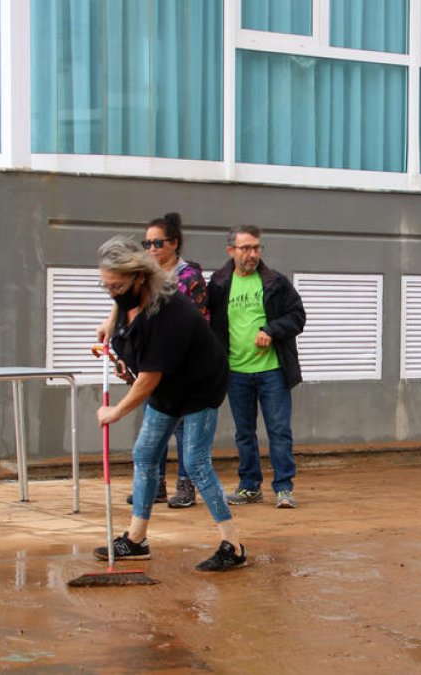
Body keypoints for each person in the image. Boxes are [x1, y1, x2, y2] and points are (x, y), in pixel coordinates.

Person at [92, 235, 245, 572]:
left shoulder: (167, 313)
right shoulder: (129, 298)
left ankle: (233, 546)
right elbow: (122, 307)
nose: (113, 293)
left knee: (196, 462)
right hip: (169, 386)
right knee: (145, 455)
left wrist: (116, 411)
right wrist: (110, 322)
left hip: (199, 387)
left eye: (117, 286)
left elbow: (148, 380)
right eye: (108, 287)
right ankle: (136, 540)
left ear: (139, 277)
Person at [207, 225, 306, 509]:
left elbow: (297, 316)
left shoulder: (275, 282)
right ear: (231, 251)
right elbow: (208, 322)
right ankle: (250, 486)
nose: (252, 254)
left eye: (256, 248)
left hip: (272, 370)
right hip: (236, 371)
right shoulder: (218, 284)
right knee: (244, 433)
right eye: (245, 248)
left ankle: (283, 488)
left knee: (279, 430)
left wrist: (271, 330)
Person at [117, 212, 210, 509]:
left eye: (158, 243)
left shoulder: (189, 278)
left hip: (183, 368)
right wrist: (127, 357)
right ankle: (154, 485)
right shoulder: (144, 278)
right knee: (153, 427)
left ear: (174, 243)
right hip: (153, 365)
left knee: (182, 429)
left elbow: (195, 324)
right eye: (147, 243)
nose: (151, 249)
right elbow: (132, 318)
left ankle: (185, 486)